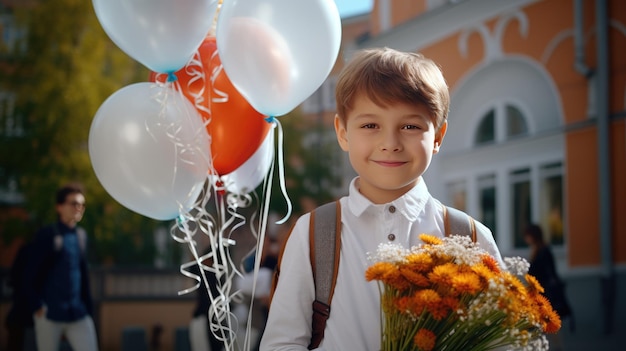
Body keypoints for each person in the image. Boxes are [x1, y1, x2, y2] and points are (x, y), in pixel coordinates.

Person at [260, 47, 504, 350]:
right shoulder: (313, 233)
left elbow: (503, 342)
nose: (390, 143)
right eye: (370, 125)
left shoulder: (470, 237)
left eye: (411, 126)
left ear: (438, 136)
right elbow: (282, 344)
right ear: (343, 132)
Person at [22, 183, 99, 351]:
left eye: (82, 204)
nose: (79, 208)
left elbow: (83, 274)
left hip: (77, 312)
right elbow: (29, 273)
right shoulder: (48, 234)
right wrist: (37, 306)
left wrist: (88, 307)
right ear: (59, 207)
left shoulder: (81, 236)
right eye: (74, 203)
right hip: (50, 313)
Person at [524, 223, 573, 350]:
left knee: (548, 322)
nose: (525, 239)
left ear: (533, 236)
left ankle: (556, 347)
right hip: (539, 293)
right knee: (541, 324)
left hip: (545, 293)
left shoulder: (543, 251)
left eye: (527, 235)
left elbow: (544, 272)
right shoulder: (537, 250)